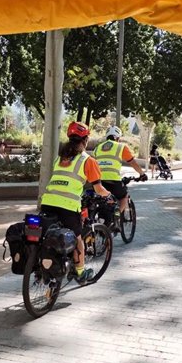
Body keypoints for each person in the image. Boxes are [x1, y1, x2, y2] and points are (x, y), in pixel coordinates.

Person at [40, 121, 112, 284]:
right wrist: (109, 196)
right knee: (77, 238)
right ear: (85, 140)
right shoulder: (88, 160)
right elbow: (98, 188)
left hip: (48, 202)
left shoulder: (60, 159)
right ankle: (80, 273)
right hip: (68, 206)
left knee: (47, 235)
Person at [92, 126, 147, 229]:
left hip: (98, 182)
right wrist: (142, 174)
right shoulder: (121, 147)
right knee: (124, 196)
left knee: (102, 200)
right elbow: (133, 163)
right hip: (113, 181)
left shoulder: (97, 148)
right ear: (118, 138)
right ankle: (116, 217)